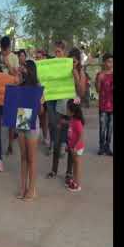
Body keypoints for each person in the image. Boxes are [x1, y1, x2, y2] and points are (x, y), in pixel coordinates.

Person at [46, 47, 86, 182]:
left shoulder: (81, 72)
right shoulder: (63, 69)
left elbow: (81, 92)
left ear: (78, 61)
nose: (73, 63)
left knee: (71, 143)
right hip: (60, 109)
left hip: (73, 112)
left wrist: (75, 73)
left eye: (75, 61)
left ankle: (69, 172)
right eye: (71, 61)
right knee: (57, 141)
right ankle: (54, 169)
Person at [16, 60, 43, 201]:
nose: (23, 69)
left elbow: (41, 110)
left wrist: (35, 102)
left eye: (25, 68)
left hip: (32, 120)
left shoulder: (38, 87)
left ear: (31, 70)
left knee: (31, 159)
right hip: (22, 118)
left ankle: (32, 189)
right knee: (23, 157)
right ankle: (23, 187)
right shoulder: (19, 85)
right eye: (23, 67)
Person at [45, 40, 66, 156]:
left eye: (59, 51)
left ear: (63, 51)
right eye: (55, 51)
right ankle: (53, 143)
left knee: (61, 121)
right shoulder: (50, 63)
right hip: (51, 96)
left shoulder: (67, 63)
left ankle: (62, 144)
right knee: (52, 122)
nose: (57, 54)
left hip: (62, 96)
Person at [0, 36, 19, 155]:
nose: (4, 52)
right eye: (2, 50)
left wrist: (7, 64)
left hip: (12, 90)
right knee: (1, 119)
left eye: (5, 50)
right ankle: (0, 144)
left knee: (12, 120)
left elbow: (15, 74)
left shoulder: (14, 57)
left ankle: (10, 145)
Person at [96, 53, 113, 156]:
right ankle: (101, 147)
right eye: (108, 61)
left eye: (112, 61)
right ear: (104, 62)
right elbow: (98, 90)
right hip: (103, 105)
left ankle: (108, 146)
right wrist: (99, 80)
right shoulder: (100, 74)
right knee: (102, 127)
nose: (110, 64)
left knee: (110, 127)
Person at [66, 99, 85, 192]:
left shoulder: (77, 122)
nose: (66, 111)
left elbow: (81, 136)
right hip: (72, 147)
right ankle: (74, 181)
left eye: (67, 109)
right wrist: (69, 146)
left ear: (72, 112)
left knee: (77, 166)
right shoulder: (72, 120)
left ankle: (77, 184)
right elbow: (71, 133)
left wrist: (75, 147)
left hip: (77, 148)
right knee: (74, 165)